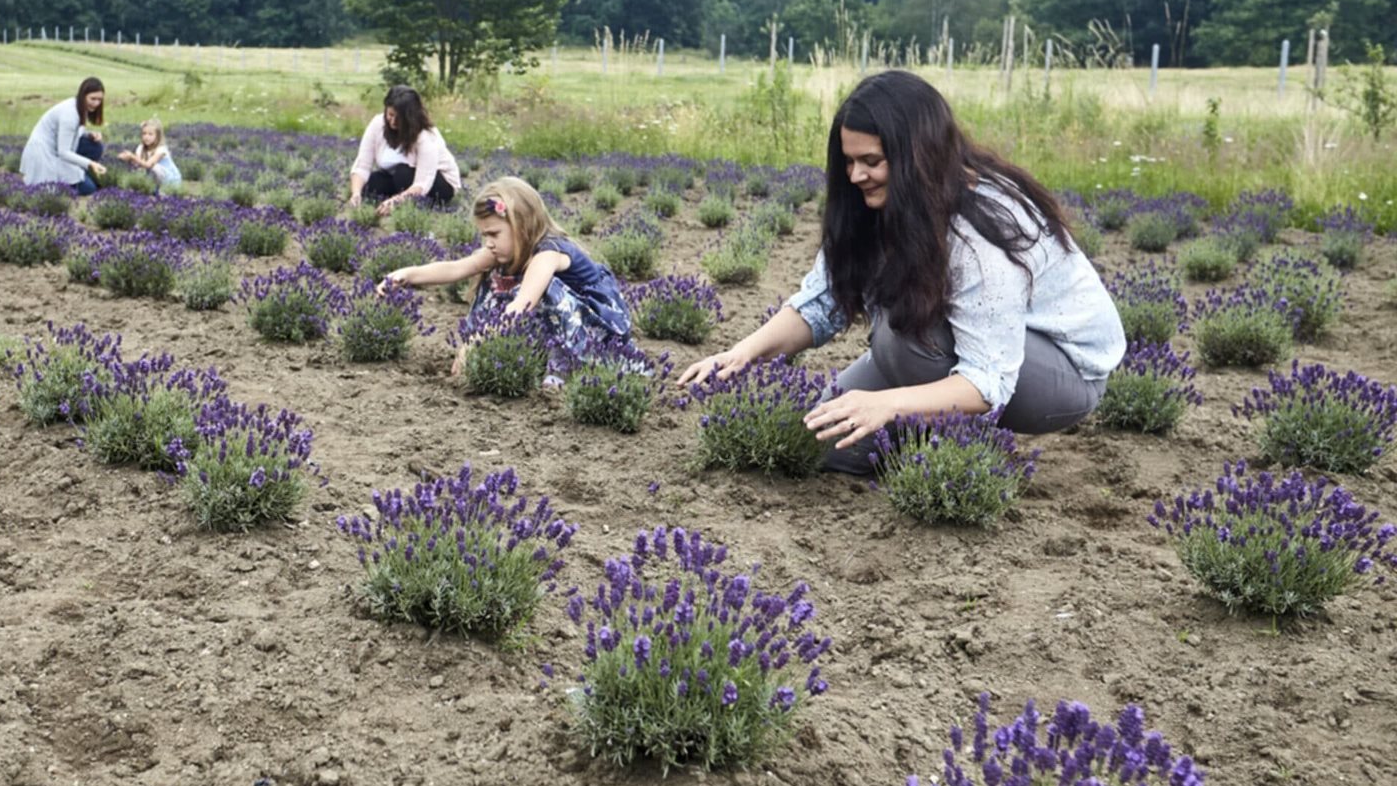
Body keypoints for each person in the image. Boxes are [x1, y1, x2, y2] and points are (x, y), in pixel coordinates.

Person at [677, 71, 1126, 473]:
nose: (856, 176)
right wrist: (742, 353)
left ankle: (960, 445)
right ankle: (938, 437)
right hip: (939, 350)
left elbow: (990, 380)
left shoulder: (983, 224)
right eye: (850, 161)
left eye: (872, 161)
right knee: (824, 443)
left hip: (1061, 374)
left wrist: (886, 404)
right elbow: (824, 301)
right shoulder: (876, 205)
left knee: (902, 329)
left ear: (917, 156)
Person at [380, 176, 635, 374]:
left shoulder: (548, 254)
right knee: (494, 284)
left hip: (595, 330)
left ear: (521, 227)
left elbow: (522, 304)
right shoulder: (503, 250)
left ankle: (567, 366)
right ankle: (536, 356)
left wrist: (477, 340)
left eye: (493, 234)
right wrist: (406, 274)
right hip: (562, 326)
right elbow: (456, 268)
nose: (488, 243)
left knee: (540, 293)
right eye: (484, 235)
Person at [348, 84, 460, 216]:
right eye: (390, 114)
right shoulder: (377, 124)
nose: (393, 121)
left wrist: (396, 202)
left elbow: (422, 183)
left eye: (399, 118)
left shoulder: (426, 136)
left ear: (410, 118)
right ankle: (399, 199)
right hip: (398, 178)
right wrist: (356, 194)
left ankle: (410, 204)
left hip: (439, 183)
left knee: (403, 173)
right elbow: (362, 165)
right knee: (371, 185)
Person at [21, 77, 108, 195]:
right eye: (93, 99)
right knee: (89, 189)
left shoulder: (79, 106)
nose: (96, 103)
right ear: (83, 96)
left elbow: (70, 133)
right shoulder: (70, 114)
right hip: (45, 154)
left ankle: (77, 175)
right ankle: (59, 183)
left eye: (99, 100)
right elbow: (63, 152)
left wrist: (89, 134)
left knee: (94, 146)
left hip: (56, 149)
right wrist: (90, 163)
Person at [115, 117, 181, 192]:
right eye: (144, 134)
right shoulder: (141, 148)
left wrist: (132, 156)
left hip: (169, 181)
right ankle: (140, 187)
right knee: (134, 167)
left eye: (150, 134)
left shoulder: (161, 150)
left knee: (154, 167)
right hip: (152, 177)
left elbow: (148, 165)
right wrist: (127, 158)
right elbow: (138, 163)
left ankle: (159, 190)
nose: (146, 137)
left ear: (157, 137)